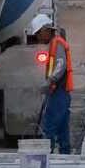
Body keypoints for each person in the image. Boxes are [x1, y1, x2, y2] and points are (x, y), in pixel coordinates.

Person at [30, 14, 74, 154]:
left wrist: (49, 81)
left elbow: (61, 65)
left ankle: (45, 156)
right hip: (59, 92)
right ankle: (65, 154)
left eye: (38, 33)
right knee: (62, 127)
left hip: (59, 92)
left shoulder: (57, 43)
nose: (38, 37)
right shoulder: (55, 43)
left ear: (46, 29)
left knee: (49, 125)